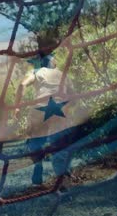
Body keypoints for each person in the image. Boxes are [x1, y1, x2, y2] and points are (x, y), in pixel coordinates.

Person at [14, 55, 73, 185]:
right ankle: (62, 179)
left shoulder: (36, 71)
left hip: (39, 108)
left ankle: (38, 164)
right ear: (55, 64)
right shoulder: (63, 74)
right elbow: (72, 95)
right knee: (59, 143)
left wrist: (17, 107)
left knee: (35, 141)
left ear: (42, 64)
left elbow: (22, 85)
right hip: (59, 108)